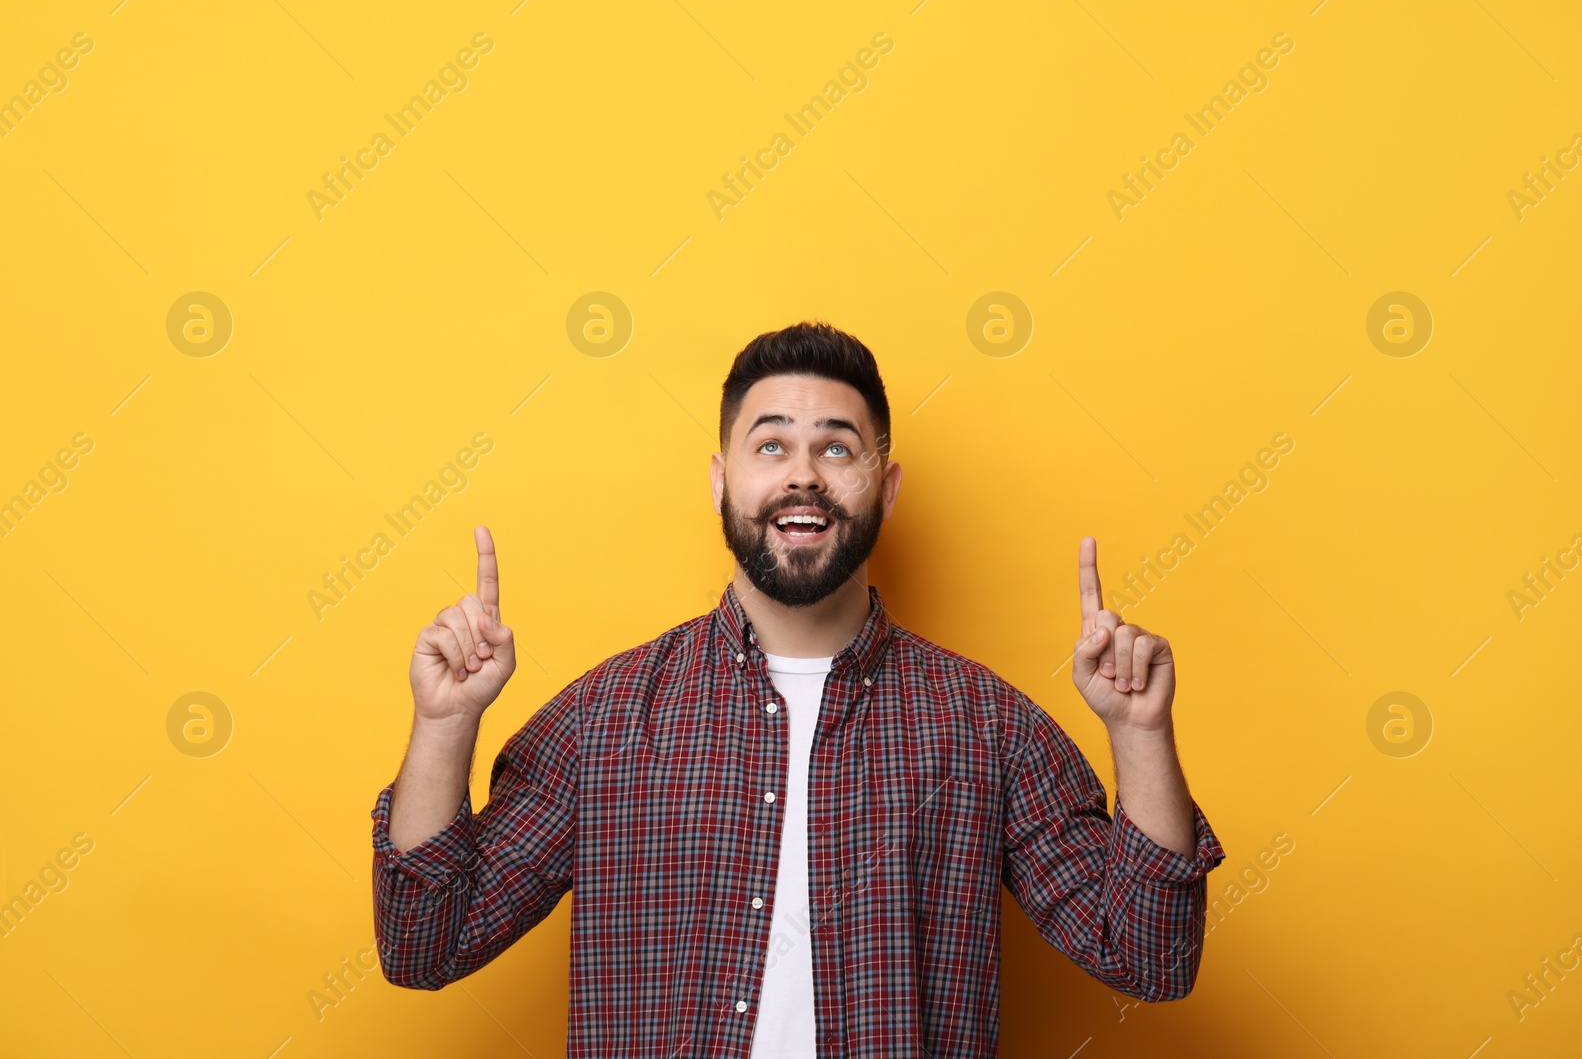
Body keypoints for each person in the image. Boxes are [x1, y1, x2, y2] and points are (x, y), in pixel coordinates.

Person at [370, 320, 1225, 1057]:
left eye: (837, 447)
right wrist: (444, 725)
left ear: (885, 489)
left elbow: (1148, 959)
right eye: (771, 443)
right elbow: (423, 944)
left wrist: (1141, 733)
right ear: (721, 479)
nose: (803, 474)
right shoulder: (606, 719)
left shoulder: (985, 725)